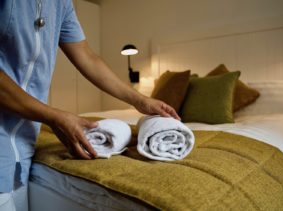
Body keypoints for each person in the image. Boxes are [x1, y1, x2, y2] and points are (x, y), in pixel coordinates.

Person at [0, 1, 179, 211]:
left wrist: (141, 101)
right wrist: (53, 116)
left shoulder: (61, 4)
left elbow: (87, 56)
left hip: (24, 142)